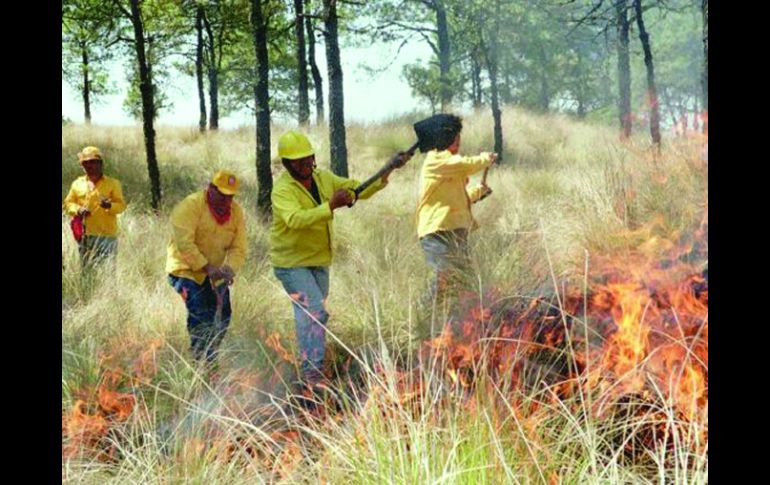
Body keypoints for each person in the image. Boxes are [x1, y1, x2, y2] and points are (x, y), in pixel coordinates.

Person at [270, 130, 409, 386]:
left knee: (315, 314)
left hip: (319, 260)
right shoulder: (281, 190)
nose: (304, 165)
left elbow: (358, 189)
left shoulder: (323, 178)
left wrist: (388, 169)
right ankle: (311, 373)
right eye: (297, 161)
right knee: (313, 312)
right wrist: (330, 206)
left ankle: (315, 364)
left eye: (307, 158)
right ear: (287, 164)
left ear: (313, 157)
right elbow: (295, 220)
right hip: (292, 263)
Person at [415, 114, 497, 325]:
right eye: (454, 137)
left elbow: (458, 200)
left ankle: (460, 325)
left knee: (465, 281)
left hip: (458, 232)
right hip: (436, 233)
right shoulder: (436, 159)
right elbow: (464, 164)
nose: (458, 141)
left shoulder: (450, 164)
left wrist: (478, 192)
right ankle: (422, 318)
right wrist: (484, 159)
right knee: (443, 275)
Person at [166, 170, 248, 365]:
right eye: (222, 194)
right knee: (201, 314)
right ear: (210, 189)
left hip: (215, 273)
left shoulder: (236, 212)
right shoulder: (191, 206)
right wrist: (205, 267)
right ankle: (199, 363)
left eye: (230, 196)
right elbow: (184, 244)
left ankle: (210, 355)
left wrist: (230, 268)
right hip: (186, 269)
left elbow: (240, 247)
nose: (226, 200)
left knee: (224, 314)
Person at [63, 146, 127, 271]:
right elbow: (68, 203)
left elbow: (121, 206)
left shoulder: (113, 184)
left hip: (106, 236)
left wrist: (109, 206)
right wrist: (78, 210)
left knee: (107, 272)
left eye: (92, 162)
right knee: (87, 272)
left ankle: (108, 291)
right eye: (85, 163)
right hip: (84, 236)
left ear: (100, 163)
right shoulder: (77, 183)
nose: (89, 165)